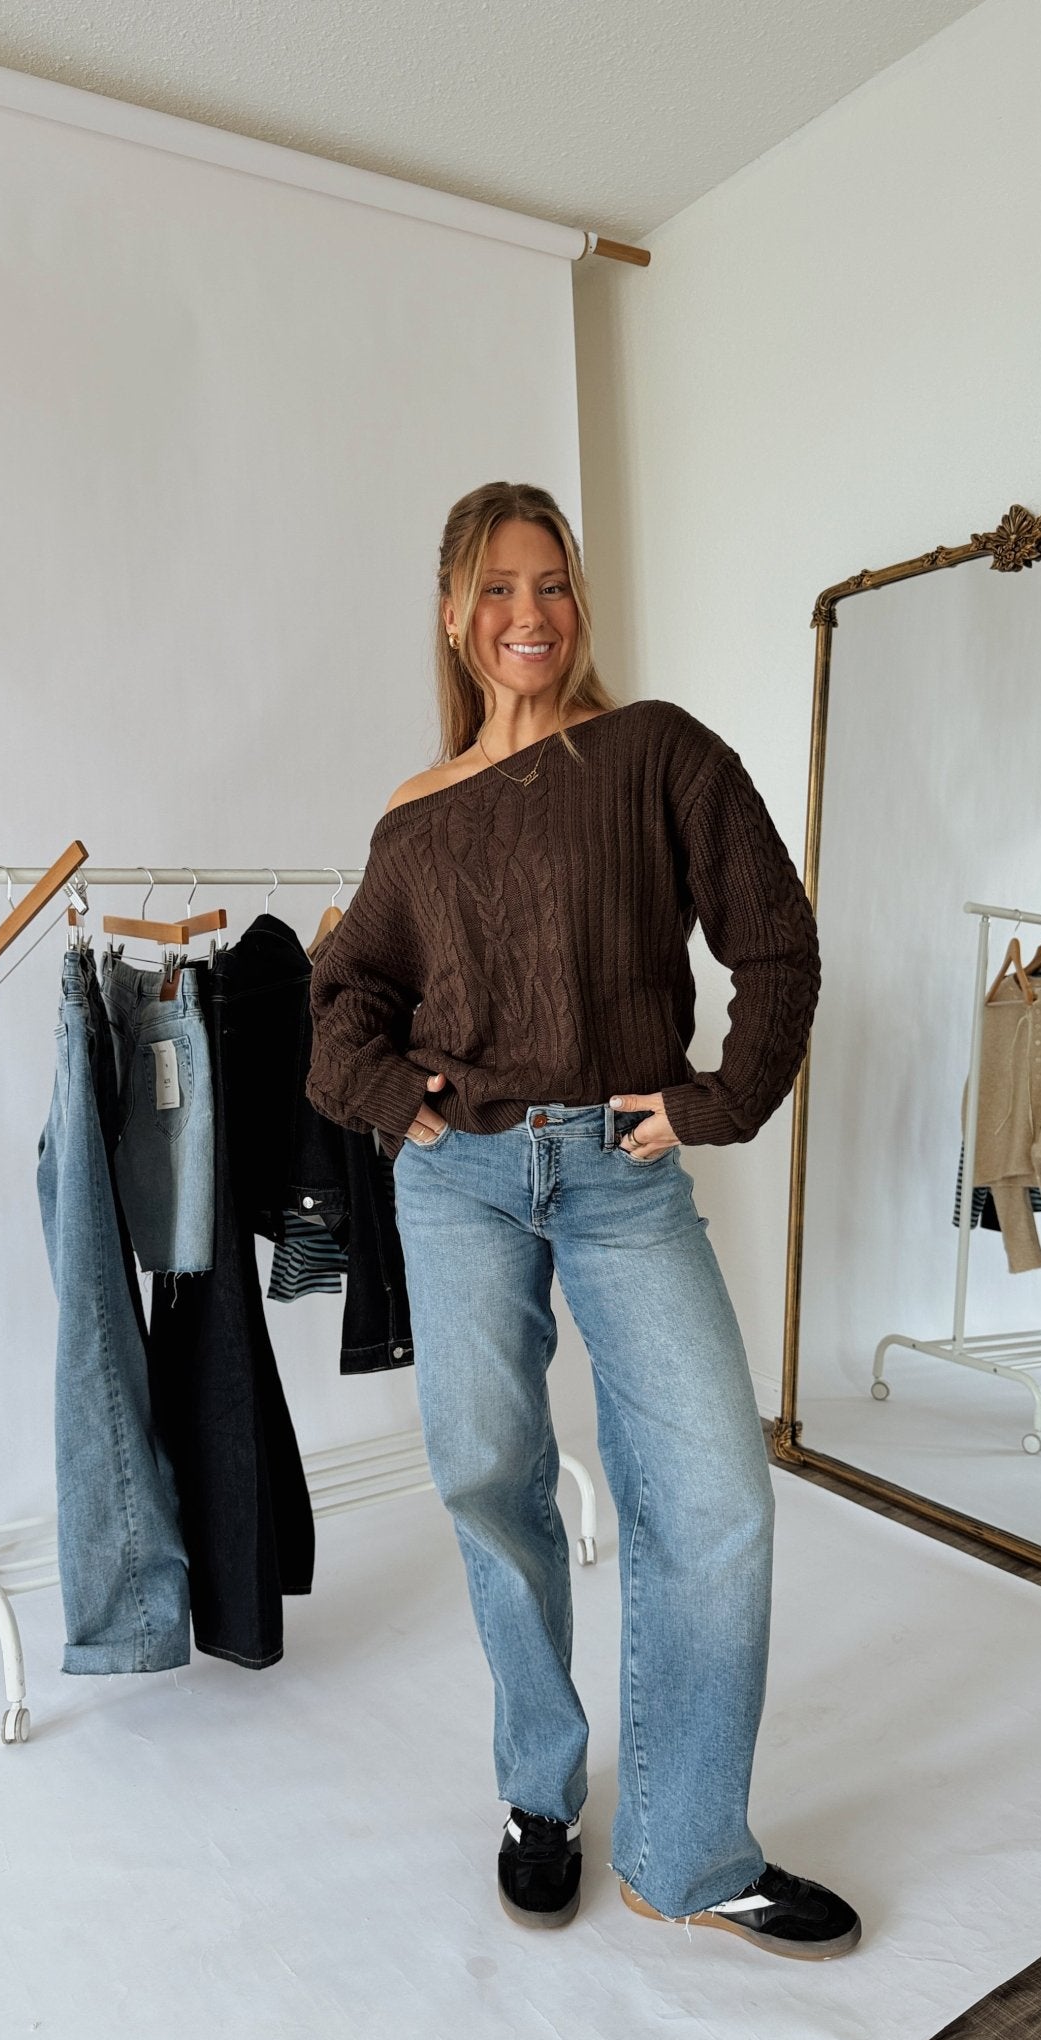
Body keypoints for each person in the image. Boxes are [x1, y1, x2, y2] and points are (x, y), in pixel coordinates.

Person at [304, 481, 861, 1963]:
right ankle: (538, 1796)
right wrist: (398, 1099)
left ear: (579, 599)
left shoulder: (656, 750)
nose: (528, 613)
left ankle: (687, 1850)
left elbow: (777, 939)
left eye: (550, 582)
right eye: (497, 588)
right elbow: (342, 999)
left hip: (620, 1171)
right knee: (492, 1481)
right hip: (460, 1181)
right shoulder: (416, 814)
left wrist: (717, 1099)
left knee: (715, 1496)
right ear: (452, 615)